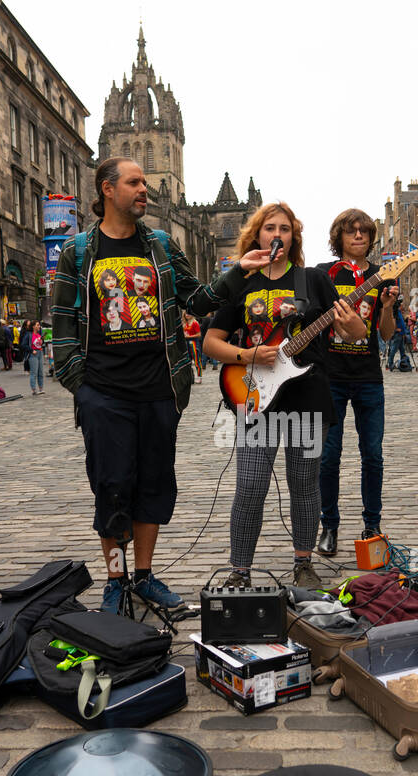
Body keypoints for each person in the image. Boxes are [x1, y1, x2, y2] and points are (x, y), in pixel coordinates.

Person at [52, 157, 251, 615]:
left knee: (155, 486)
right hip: (103, 392)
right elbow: (60, 323)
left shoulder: (160, 245)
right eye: (134, 182)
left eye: (145, 181)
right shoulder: (79, 251)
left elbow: (198, 300)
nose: (145, 189)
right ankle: (116, 579)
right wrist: (80, 386)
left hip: (159, 388)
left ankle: (143, 576)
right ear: (107, 189)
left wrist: (239, 268)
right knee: (112, 486)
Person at [205, 202, 364, 589]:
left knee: (304, 485)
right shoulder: (241, 283)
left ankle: (303, 562)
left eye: (286, 229)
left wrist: (351, 323)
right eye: (270, 228)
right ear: (257, 235)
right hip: (256, 396)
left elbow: (355, 334)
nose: (277, 234)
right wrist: (247, 355)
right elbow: (211, 342)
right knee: (251, 485)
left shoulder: (312, 281)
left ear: (294, 237)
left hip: (306, 397)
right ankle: (239, 570)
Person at [315, 209, 398, 556]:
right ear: (340, 237)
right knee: (328, 456)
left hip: (367, 377)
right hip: (330, 376)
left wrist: (390, 308)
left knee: (373, 455)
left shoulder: (382, 276)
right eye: (351, 232)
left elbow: (386, 333)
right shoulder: (323, 275)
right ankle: (329, 525)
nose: (359, 236)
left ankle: (372, 524)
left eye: (364, 231)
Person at [21, 319, 45, 395]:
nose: (39, 326)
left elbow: (39, 344)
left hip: (40, 353)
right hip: (33, 354)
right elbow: (23, 345)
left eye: (39, 325)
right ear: (33, 326)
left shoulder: (39, 334)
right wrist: (31, 350)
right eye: (38, 325)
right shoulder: (28, 334)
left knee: (41, 372)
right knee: (34, 372)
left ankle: (41, 388)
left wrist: (42, 341)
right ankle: (34, 390)